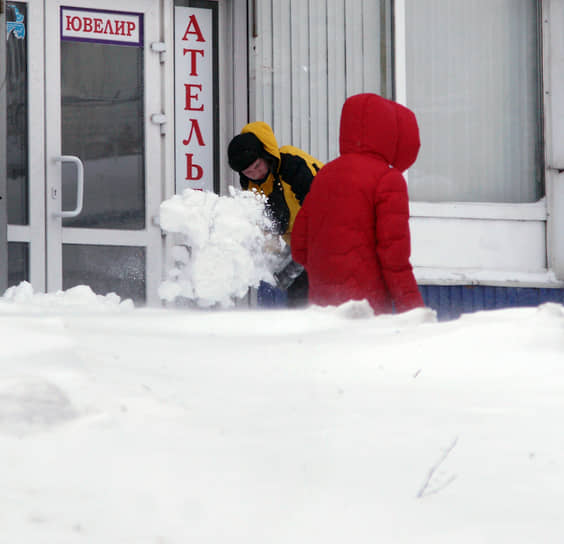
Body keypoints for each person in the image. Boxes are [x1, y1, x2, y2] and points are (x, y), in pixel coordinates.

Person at [291, 93, 424, 314]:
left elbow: (299, 247)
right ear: (388, 133)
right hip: (366, 308)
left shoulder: (325, 174)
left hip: (322, 305)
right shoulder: (387, 179)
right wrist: (413, 310)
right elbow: (394, 257)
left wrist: (329, 272)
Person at [227, 121, 323, 307]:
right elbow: (269, 222)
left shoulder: (290, 163)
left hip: (328, 229)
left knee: (321, 290)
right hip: (299, 242)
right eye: (248, 171)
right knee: (294, 293)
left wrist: (303, 253)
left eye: (257, 165)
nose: (255, 173)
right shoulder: (251, 185)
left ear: (266, 155)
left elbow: (317, 204)